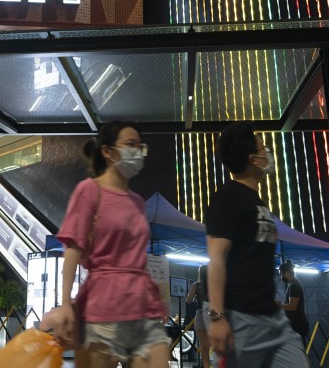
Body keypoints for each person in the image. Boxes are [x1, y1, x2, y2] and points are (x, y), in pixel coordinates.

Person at [45, 120, 170, 367]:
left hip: (143, 308)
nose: (137, 152)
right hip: (102, 310)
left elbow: (137, 254)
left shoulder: (138, 202)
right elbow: (73, 248)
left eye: (140, 146)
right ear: (107, 151)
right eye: (130, 144)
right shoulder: (90, 190)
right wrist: (65, 303)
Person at [206, 122, 307, 367]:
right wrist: (217, 317)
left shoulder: (256, 200)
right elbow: (216, 258)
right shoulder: (227, 197)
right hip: (240, 319)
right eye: (264, 149)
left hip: (273, 318)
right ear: (253, 159)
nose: (268, 153)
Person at [277, 261, 310, 347]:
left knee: (299, 353)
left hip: (298, 325)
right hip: (296, 325)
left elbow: (292, 306)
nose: (281, 276)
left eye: (282, 274)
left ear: (287, 273)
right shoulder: (292, 285)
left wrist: (279, 305)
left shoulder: (294, 286)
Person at [185, 265, 210, 368]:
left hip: (200, 315)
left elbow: (188, 300)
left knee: (204, 348)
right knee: (217, 346)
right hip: (213, 314)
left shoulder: (196, 285)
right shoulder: (214, 284)